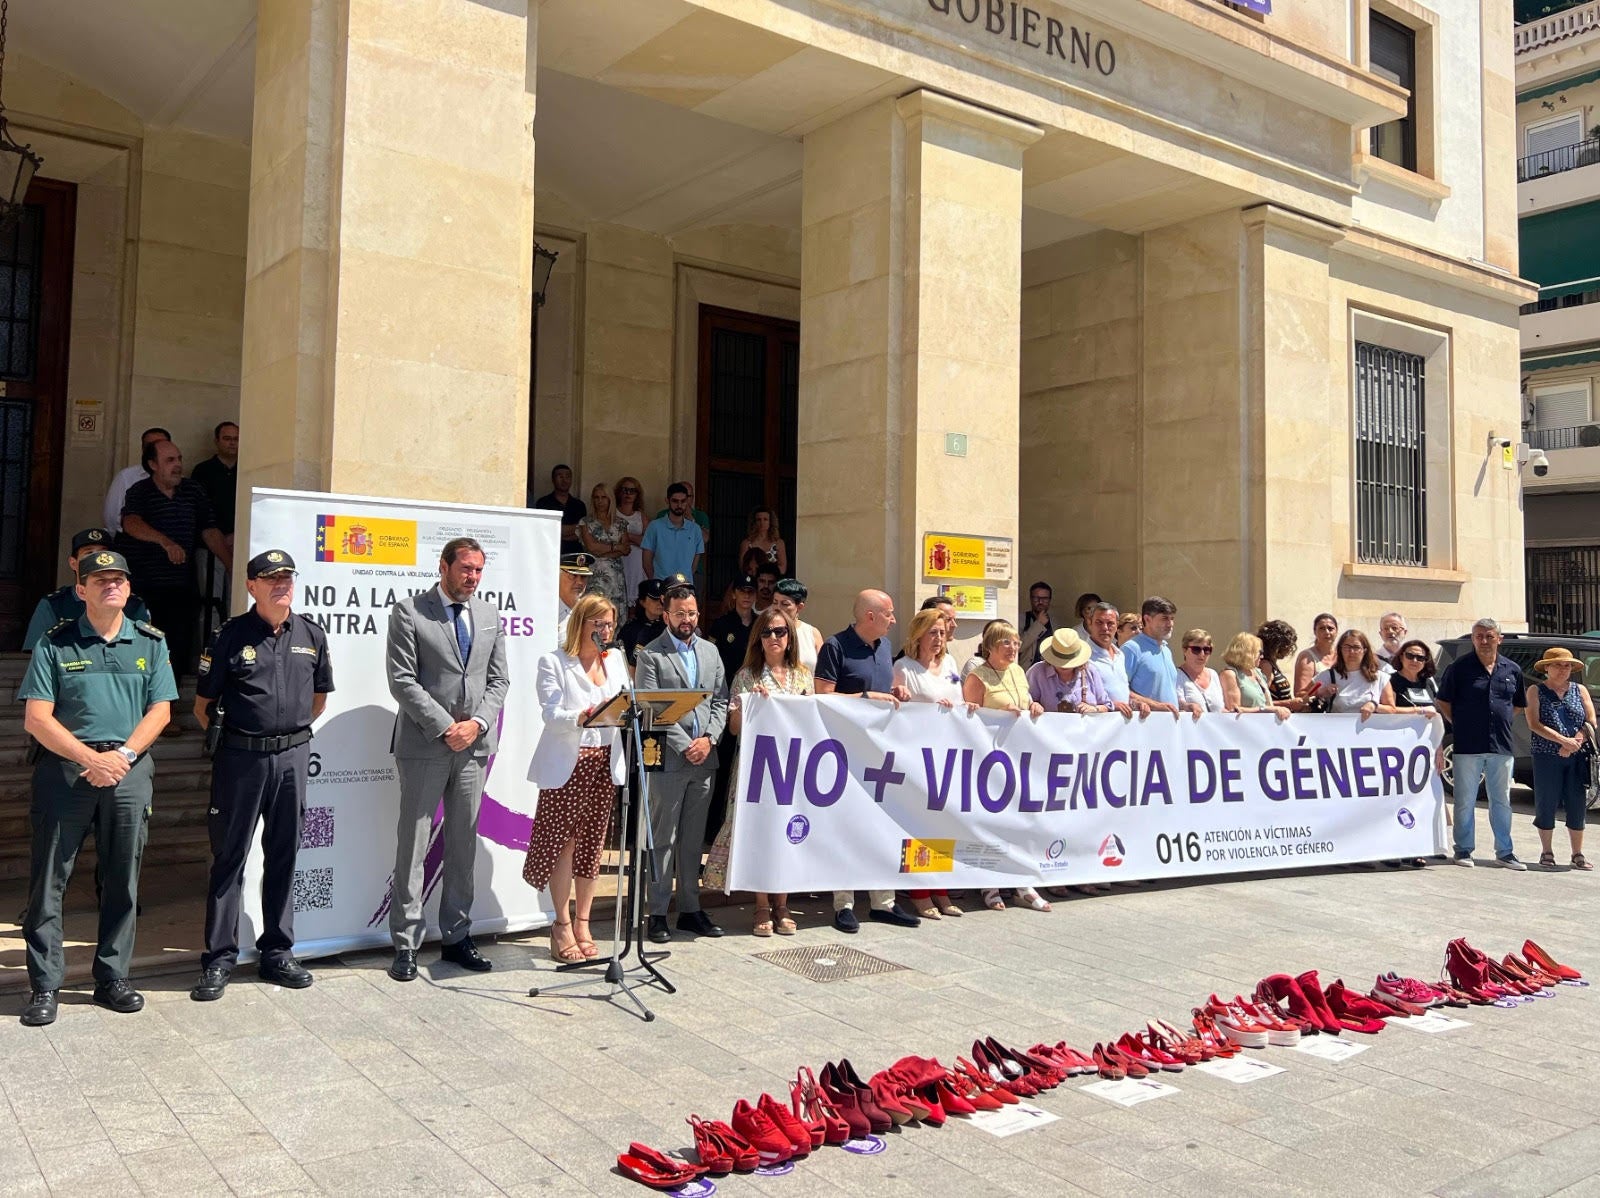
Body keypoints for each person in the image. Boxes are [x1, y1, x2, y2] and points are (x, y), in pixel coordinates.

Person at [18, 550, 177, 1026]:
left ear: (129, 589)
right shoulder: (57, 644)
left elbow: (162, 711)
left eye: (119, 579)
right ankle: (45, 985)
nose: (111, 585)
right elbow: (36, 718)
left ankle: (113, 978)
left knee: (122, 877)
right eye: (100, 578)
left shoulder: (151, 641)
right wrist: (91, 759)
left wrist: (122, 757)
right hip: (68, 771)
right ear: (81, 589)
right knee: (49, 879)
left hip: (128, 773)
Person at [189, 550, 333, 1002]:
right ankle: (219, 958)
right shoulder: (230, 635)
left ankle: (277, 951)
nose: (281, 585)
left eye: (287, 577)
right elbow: (201, 707)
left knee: (285, 854)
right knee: (230, 857)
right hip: (241, 761)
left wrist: (284, 736)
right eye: (271, 578)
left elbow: (319, 698)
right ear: (251, 586)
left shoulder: (311, 633)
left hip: (292, 758)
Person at [384, 537, 510, 981]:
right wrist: (445, 726)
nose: (472, 577)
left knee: (462, 844)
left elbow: (499, 681)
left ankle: (457, 935)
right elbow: (402, 680)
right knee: (414, 846)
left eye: (478, 570)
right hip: (424, 746)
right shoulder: (410, 612)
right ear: (444, 566)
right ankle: (406, 943)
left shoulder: (490, 616)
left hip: (474, 747)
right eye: (465, 569)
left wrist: (475, 725)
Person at [526, 594, 629, 963]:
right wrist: (580, 717)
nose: (605, 631)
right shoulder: (554, 661)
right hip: (569, 762)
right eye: (597, 624)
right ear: (580, 624)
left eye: (609, 624)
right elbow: (551, 714)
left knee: (592, 844)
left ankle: (584, 922)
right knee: (563, 844)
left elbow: (625, 704)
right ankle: (562, 925)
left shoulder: (615, 660)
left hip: (604, 762)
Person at [815, 589, 916, 931]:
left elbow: (883, 690)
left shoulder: (886, 647)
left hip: (878, 752)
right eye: (889, 613)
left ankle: (883, 902)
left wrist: (895, 692)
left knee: (882, 826)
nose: (894, 620)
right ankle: (844, 903)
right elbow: (822, 696)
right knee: (846, 828)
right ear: (870, 616)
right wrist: (864, 697)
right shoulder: (835, 645)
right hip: (843, 753)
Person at [710, 606, 812, 934]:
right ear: (758, 638)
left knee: (785, 832)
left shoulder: (802, 676)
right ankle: (761, 905)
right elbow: (735, 728)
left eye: (779, 632)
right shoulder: (746, 676)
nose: (773, 638)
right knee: (759, 832)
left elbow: (811, 723)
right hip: (755, 769)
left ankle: (783, 905)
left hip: (790, 768)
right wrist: (751, 704)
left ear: (790, 636)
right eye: (766, 633)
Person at [636, 585, 729, 943]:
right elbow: (649, 706)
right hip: (669, 759)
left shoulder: (710, 652)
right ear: (666, 615)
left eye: (691, 613)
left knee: (692, 841)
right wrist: (685, 744)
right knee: (663, 838)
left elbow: (720, 701)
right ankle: (657, 912)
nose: (687, 619)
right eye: (680, 614)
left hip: (704, 760)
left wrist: (709, 740)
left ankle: (690, 909)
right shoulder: (651, 655)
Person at [117, 439, 232, 679]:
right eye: (170, 460)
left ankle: (170, 702)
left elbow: (209, 530)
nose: (178, 465)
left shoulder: (193, 491)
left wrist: (231, 564)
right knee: (145, 643)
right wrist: (165, 542)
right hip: (146, 584)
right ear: (152, 464)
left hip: (181, 583)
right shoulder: (140, 491)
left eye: (179, 459)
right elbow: (131, 523)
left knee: (178, 644)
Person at [962, 621, 1049, 914]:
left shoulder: (1018, 672)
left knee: (1020, 820)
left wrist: (1034, 706)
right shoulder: (978, 676)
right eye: (1006, 644)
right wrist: (997, 713)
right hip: (989, 759)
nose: (1013, 648)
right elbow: (967, 720)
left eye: (1015, 642)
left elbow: (1026, 701)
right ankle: (989, 884)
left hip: (1019, 758)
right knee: (992, 821)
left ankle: (1022, 884)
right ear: (990, 647)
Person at [892, 609, 970, 919]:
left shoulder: (950, 664)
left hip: (947, 753)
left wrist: (963, 705)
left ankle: (940, 887)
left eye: (941, 633)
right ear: (918, 635)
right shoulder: (904, 667)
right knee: (917, 824)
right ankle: (919, 892)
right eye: (932, 633)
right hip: (917, 755)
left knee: (942, 822)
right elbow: (897, 705)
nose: (938, 639)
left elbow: (959, 696)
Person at [1436, 618, 1527, 870]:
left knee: (1502, 801)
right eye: (1479, 636)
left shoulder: (1512, 670)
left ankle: (1505, 852)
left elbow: (1518, 705)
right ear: (1473, 639)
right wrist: (1461, 722)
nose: (1484, 641)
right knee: (1465, 800)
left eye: (1489, 636)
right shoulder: (1459, 668)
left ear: (1499, 638)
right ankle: (1463, 850)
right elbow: (1443, 700)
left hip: (1501, 745)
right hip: (1467, 745)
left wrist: (1502, 721)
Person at [1526, 648, 1597, 872]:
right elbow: (1534, 724)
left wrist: (1574, 741)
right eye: (1557, 665)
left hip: (1577, 756)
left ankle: (1577, 853)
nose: (1563, 669)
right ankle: (1547, 851)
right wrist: (1561, 741)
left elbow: (1591, 720)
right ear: (1546, 668)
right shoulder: (1535, 691)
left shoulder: (1580, 690)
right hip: (1546, 755)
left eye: (1567, 665)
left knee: (1577, 804)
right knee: (1546, 802)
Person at [24, 528, 151, 650]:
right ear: (73, 563)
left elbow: (146, 650)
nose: (97, 559)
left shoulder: (133, 604)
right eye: (89, 553)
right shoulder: (54, 604)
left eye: (103, 553)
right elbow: (39, 655)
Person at [1123, 597, 1198, 716]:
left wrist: (1184, 706)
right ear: (1147, 619)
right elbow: (1120, 690)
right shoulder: (1132, 648)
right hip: (1145, 725)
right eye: (1164, 618)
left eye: (1172, 618)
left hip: (1169, 726)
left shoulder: (1166, 650)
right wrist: (1155, 706)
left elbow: (1165, 692)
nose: (1170, 624)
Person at [1309, 630, 1404, 718]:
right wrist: (1321, 692)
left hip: (1369, 732)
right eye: (1346, 647)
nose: (1351, 652)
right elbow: (1303, 696)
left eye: (1356, 647)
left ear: (1365, 650)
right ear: (1340, 650)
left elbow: (1391, 709)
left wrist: (1374, 706)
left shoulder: (1380, 677)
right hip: (1337, 731)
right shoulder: (1328, 675)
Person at [101, 426, 170, 534]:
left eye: (160, 445)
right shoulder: (126, 477)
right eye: (149, 446)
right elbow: (111, 519)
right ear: (143, 449)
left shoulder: (179, 480)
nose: (155, 450)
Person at [1027, 628, 1112, 714]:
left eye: (1068, 661)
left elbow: (1107, 706)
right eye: (1060, 660)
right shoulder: (1037, 672)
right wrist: (1033, 705)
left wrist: (1094, 709)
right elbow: (1025, 703)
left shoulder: (1090, 671)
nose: (1064, 666)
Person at [1086, 602, 1144, 717]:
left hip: (1121, 726)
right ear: (1089, 623)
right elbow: (1079, 695)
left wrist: (1136, 703)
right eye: (1099, 622)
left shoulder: (1120, 655)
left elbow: (1122, 691)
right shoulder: (1084, 656)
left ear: (1117, 626)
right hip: (1097, 723)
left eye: (1110, 623)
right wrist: (1110, 705)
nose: (1105, 628)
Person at [578, 483, 629, 610]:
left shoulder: (620, 523)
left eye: (603, 497)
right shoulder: (585, 522)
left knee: (616, 613)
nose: (600, 501)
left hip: (616, 577)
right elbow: (592, 548)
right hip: (595, 575)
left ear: (610, 499)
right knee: (594, 611)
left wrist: (603, 549)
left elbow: (626, 549)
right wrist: (616, 547)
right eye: (596, 497)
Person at [641, 483, 705, 582]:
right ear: (667, 500)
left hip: (685, 588)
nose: (679, 505)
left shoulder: (695, 529)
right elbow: (646, 562)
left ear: (687, 501)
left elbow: (694, 566)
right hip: (661, 586)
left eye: (683, 501)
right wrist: (656, 581)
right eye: (675, 501)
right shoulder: (655, 526)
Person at [1218, 633, 1291, 719]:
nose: (1262, 656)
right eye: (1260, 652)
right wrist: (1266, 709)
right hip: (1244, 727)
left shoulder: (1257, 673)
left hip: (1264, 725)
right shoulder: (1230, 674)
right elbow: (1234, 710)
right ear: (1248, 653)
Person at [190, 421, 240, 542]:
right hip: (209, 541)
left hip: (241, 539)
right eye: (227, 439)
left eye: (236, 439)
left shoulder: (246, 472)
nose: (232, 443)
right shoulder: (203, 470)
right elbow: (198, 508)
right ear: (216, 441)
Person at [709, 574, 758, 683]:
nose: (746, 596)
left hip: (755, 684)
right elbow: (711, 657)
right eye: (742, 591)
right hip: (727, 682)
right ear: (734, 594)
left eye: (750, 592)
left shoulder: (760, 624)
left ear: (755, 596)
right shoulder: (721, 624)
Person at [532, 463, 587, 557]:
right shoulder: (543, 503)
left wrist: (558, 530)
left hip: (575, 554)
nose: (564, 480)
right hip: (549, 553)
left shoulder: (579, 505)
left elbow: (582, 533)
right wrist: (574, 528)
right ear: (553, 479)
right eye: (560, 476)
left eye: (568, 476)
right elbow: (544, 532)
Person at [770, 577, 822, 670]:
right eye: (775, 602)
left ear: (799, 607)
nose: (778, 608)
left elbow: (823, 672)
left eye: (785, 604)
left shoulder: (812, 633)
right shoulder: (766, 632)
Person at [619, 578, 666, 668]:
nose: (660, 604)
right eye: (654, 599)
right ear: (642, 602)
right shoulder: (630, 629)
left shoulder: (670, 628)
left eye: (662, 600)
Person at [1175, 629, 1225, 714]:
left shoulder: (1213, 674)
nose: (1202, 654)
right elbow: (1178, 705)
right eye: (1196, 649)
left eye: (1206, 650)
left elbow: (1221, 709)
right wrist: (1188, 706)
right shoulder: (1177, 675)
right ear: (1184, 650)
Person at [615, 476, 648, 602]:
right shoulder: (613, 513)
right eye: (625, 490)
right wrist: (635, 539)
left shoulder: (641, 516)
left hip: (637, 564)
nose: (628, 494)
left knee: (635, 599)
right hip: (618, 560)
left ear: (637, 494)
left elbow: (646, 542)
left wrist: (626, 535)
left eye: (632, 490)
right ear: (619, 492)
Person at [1256, 619, 1301, 708]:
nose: (1289, 650)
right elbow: (1261, 700)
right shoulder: (1266, 666)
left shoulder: (1272, 664)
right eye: (1286, 646)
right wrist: (1289, 704)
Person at [1294, 613, 1338, 696]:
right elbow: (1299, 694)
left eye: (1330, 628)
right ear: (1315, 631)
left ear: (1336, 631)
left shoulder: (1342, 655)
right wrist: (1321, 692)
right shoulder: (1307, 657)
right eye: (1322, 628)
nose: (1327, 632)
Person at [739, 508, 788, 576]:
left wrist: (768, 575)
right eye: (759, 520)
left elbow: (782, 567)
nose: (762, 523)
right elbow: (742, 567)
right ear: (754, 522)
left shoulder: (778, 543)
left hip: (772, 581)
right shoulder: (746, 543)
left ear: (770, 522)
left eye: (765, 519)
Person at [555, 552, 591, 644]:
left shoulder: (590, 612)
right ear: (557, 576)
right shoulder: (547, 611)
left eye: (583, 577)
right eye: (573, 576)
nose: (579, 582)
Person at [1018, 581, 1054, 664]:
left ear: (1049, 600)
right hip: (1028, 671)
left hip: (1050, 671)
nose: (1040, 602)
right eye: (1036, 598)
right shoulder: (1021, 619)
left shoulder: (1055, 622)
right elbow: (1018, 647)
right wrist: (1038, 624)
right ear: (1031, 599)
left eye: (1045, 599)